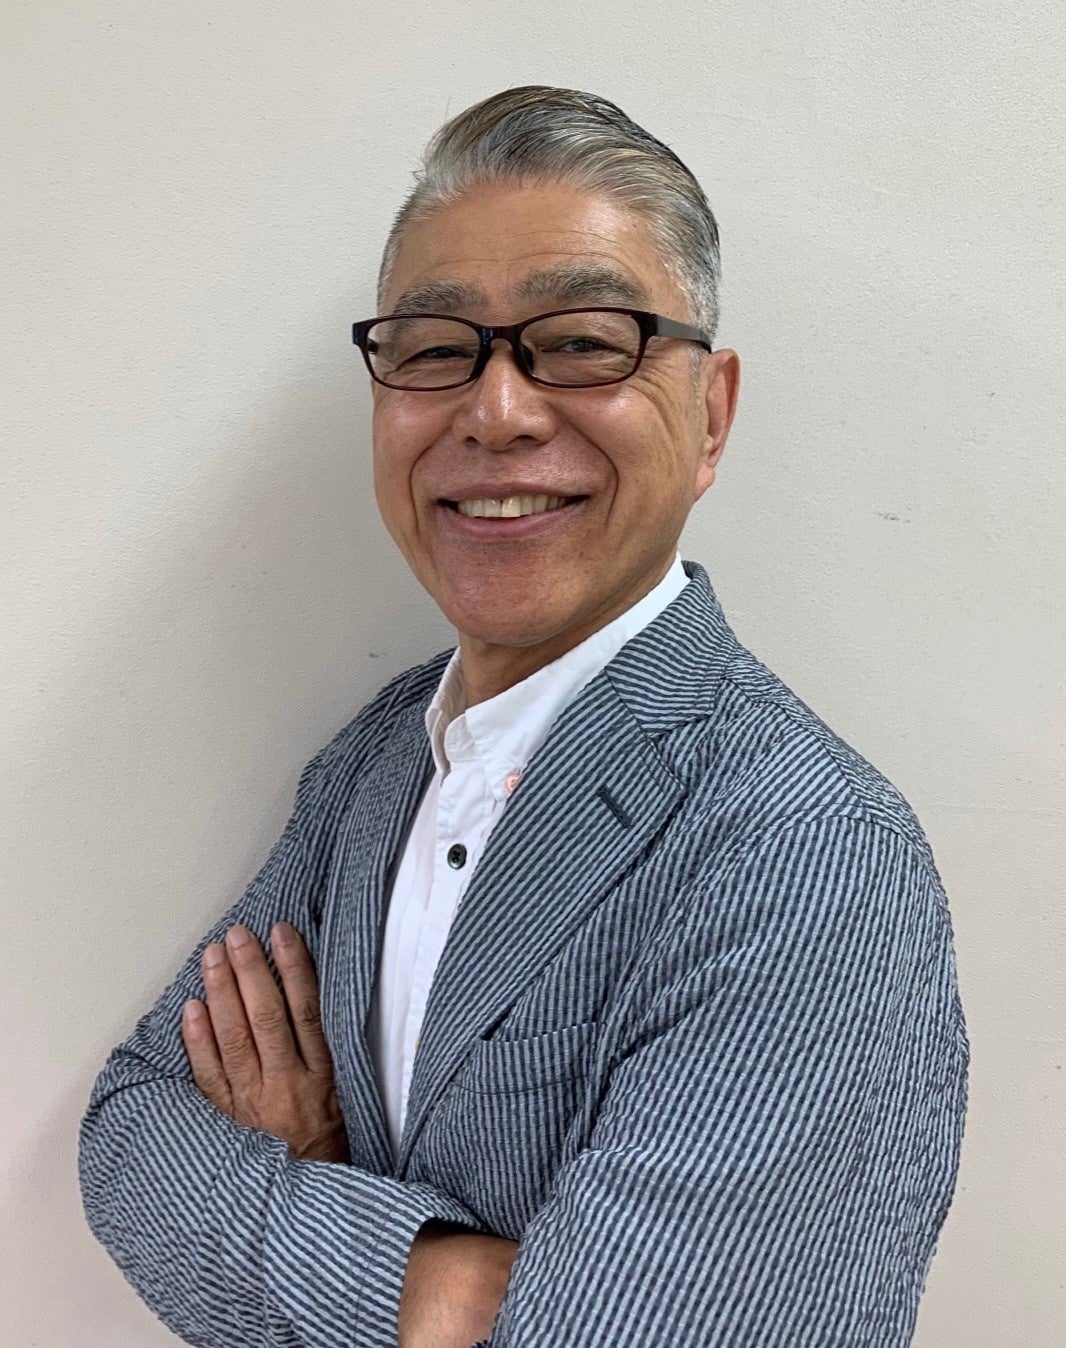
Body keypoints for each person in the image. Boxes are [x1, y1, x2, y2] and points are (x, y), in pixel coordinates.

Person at [78, 85, 968, 1347]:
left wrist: (307, 1177)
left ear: (709, 416)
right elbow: (129, 1126)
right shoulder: (377, 759)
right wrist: (422, 1278)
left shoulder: (804, 856)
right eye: (435, 348)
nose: (495, 410)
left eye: (587, 340)